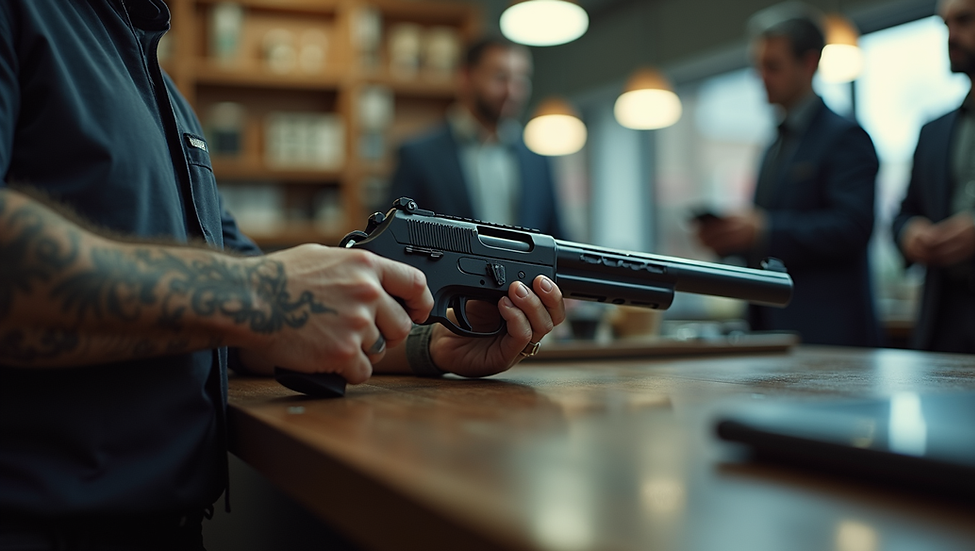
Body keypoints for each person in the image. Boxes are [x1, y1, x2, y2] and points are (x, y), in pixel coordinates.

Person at [0, 2, 565, 549]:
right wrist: (263, 294)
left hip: (165, 524)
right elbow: (254, 295)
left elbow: (246, 316)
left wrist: (433, 345)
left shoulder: (164, 91)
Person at [695, 7, 880, 347]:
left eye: (773, 66)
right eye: (758, 66)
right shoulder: (773, 146)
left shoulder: (845, 137)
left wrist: (763, 230)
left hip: (830, 335)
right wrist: (733, 238)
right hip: (770, 328)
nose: (760, 77)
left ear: (809, 64)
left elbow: (852, 227)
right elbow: (766, 237)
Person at [388, 37, 565, 237]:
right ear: (466, 77)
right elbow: (396, 236)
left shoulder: (538, 161)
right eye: (500, 77)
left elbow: (557, 239)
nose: (512, 91)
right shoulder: (418, 155)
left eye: (521, 80)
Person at [892, 0, 975, 353]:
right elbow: (902, 213)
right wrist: (910, 233)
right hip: (943, 323)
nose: (951, 35)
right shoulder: (932, 132)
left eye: (964, 20)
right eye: (945, 25)